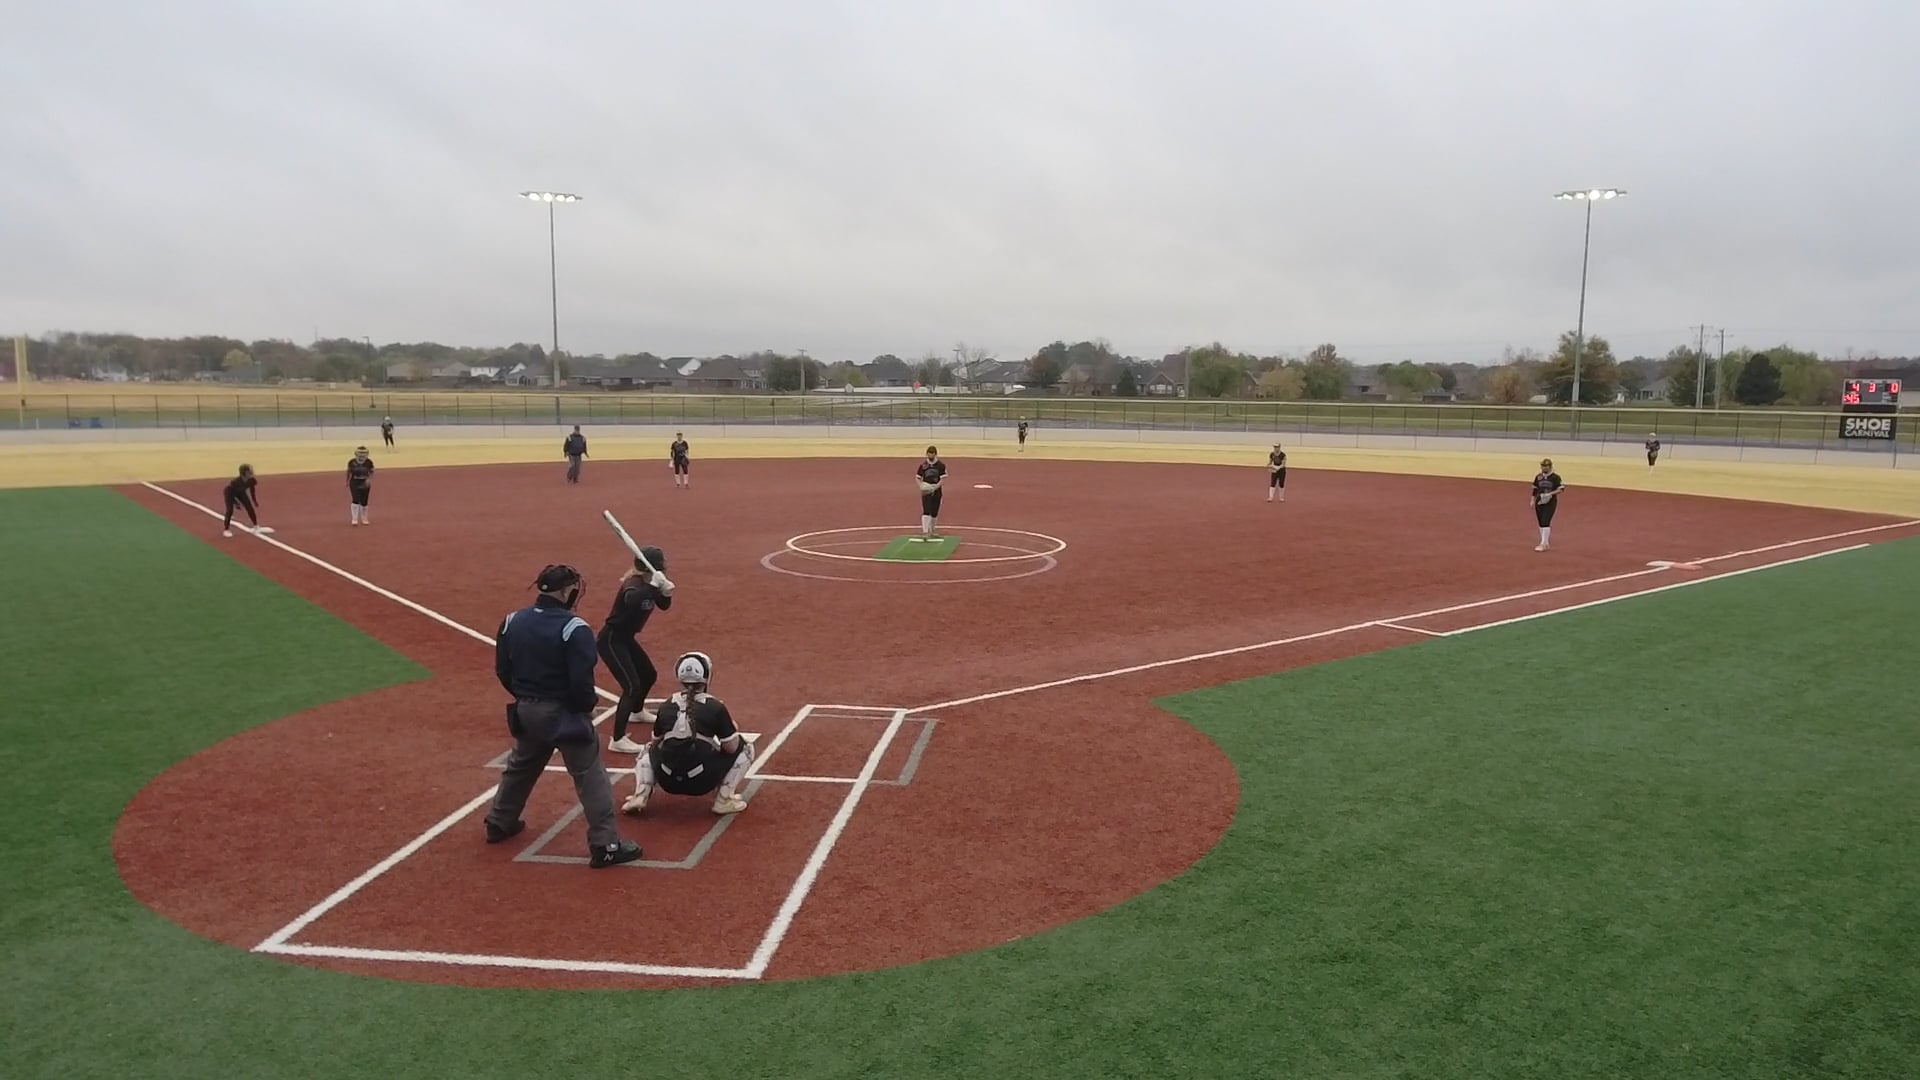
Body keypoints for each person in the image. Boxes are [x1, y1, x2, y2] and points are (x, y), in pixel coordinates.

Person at [484, 564, 641, 868]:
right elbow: (581, 682)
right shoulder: (574, 628)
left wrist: (525, 696)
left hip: (525, 709)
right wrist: (584, 706)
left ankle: (499, 822)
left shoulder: (511, 621)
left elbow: (503, 670)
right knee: (590, 775)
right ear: (566, 591)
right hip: (562, 713)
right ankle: (605, 844)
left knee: (520, 766)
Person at [621, 651, 754, 817]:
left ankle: (641, 794)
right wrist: (727, 729)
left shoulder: (667, 705)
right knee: (745, 747)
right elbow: (731, 748)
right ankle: (724, 799)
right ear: (706, 676)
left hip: (667, 781)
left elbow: (655, 742)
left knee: (648, 748)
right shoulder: (715, 707)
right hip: (702, 782)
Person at [598, 547, 674, 755]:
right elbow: (631, 599)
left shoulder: (651, 583)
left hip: (625, 638)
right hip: (612, 640)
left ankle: (637, 711)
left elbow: (663, 605)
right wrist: (653, 586)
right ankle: (618, 739)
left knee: (648, 675)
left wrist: (665, 592)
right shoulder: (634, 583)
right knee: (631, 686)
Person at [220, 464, 273, 538]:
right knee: (230, 510)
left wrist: (254, 501)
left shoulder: (251, 480)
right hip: (230, 493)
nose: (251, 472)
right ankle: (226, 530)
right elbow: (231, 493)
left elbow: (252, 490)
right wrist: (236, 503)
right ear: (244, 473)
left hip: (241, 492)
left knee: (249, 507)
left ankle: (256, 526)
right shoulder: (235, 482)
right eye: (249, 471)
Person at [1531, 458, 1567, 552]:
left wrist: (1550, 494)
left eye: (1546, 466)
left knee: (1546, 521)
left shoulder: (1555, 477)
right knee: (1540, 522)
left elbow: (1561, 489)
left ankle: (1543, 543)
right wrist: (1532, 500)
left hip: (1550, 502)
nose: (1544, 468)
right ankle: (1545, 543)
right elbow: (1535, 489)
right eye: (1542, 466)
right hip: (1539, 501)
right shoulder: (1538, 477)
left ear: (1550, 467)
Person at [914, 445, 947, 540]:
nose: (930, 456)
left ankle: (932, 531)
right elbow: (917, 477)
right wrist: (921, 486)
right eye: (929, 454)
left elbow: (943, 479)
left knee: (934, 511)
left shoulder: (940, 465)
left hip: (936, 490)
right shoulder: (923, 466)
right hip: (926, 491)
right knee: (926, 510)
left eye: (932, 454)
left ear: (935, 454)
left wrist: (935, 487)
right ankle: (925, 532)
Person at [346, 445, 376, 526]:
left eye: (363, 454)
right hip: (354, 482)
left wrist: (369, 479)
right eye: (360, 454)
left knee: (364, 501)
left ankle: (364, 518)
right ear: (356, 454)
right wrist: (347, 481)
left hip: (365, 482)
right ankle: (354, 519)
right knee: (355, 499)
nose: (361, 456)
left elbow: (372, 472)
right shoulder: (352, 462)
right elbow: (349, 472)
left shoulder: (369, 462)